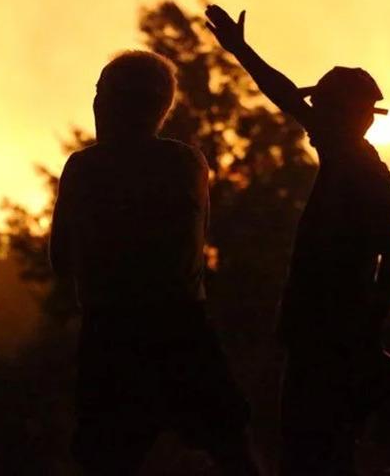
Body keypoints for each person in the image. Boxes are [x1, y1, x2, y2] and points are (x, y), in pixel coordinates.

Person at [206, 5, 390, 475]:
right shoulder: (370, 170)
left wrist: (241, 52)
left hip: (324, 336)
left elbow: (285, 96)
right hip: (334, 335)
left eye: (323, 107)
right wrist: (368, 332)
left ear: (343, 116)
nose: (312, 114)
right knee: (330, 451)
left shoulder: (350, 162)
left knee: (309, 449)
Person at [49, 50, 261, 475]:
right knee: (232, 450)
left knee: (105, 459)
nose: (96, 102)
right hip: (184, 329)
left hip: (110, 336)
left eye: (101, 92)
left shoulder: (85, 168)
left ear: (113, 102)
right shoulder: (188, 163)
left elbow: (61, 260)